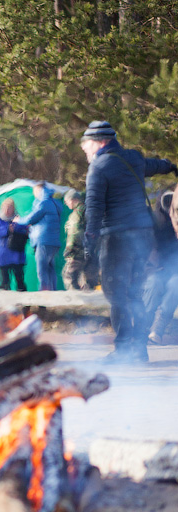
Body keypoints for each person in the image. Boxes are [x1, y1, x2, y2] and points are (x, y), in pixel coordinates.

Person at [81, 120, 178, 363]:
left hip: (116, 238)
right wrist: (171, 166)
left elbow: (93, 210)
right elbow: (153, 165)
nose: (84, 148)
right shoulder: (132, 158)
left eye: (87, 143)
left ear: (101, 142)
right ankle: (139, 349)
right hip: (143, 235)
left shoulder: (99, 167)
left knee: (117, 294)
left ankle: (124, 349)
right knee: (136, 292)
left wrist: (88, 244)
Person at [145, 188, 178, 345]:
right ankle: (143, 327)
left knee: (175, 285)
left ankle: (157, 329)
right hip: (156, 270)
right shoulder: (153, 223)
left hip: (175, 271)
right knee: (154, 283)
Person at [17, 182, 62, 291]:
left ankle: (44, 298)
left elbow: (30, 219)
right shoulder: (56, 203)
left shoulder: (43, 203)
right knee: (51, 270)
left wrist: (18, 220)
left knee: (42, 271)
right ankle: (54, 296)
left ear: (39, 190)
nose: (34, 194)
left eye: (35, 191)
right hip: (54, 241)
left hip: (43, 240)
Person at [62, 189, 99, 291]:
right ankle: (90, 303)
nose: (67, 205)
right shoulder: (90, 210)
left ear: (72, 200)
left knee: (69, 277)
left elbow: (75, 231)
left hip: (77, 252)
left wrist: (70, 248)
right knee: (89, 280)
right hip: (92, 250)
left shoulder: (76, 214)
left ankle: (74, 302)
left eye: (66, 202)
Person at [0, 198, 29, 291]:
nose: (7, 210)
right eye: (5, 208)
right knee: (4, 281)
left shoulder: (19, 220)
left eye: (10, 208)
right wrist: (8, 229)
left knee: (20, 280)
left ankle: (24, 302)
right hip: (3, 255)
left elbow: (25, 232)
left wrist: (19, 227)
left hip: (17, 255)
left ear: (13, 209)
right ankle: (5, 302)